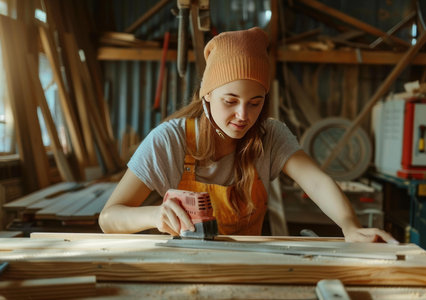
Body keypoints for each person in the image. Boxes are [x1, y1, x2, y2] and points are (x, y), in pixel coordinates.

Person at [99, 27, 397, 244]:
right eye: (230, 101)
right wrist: (153, 217)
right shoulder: (169, 140)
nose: (243, 115)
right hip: (184, 267)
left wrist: (349, 226)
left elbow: (317, 182)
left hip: (250, 266)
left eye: (255, 103)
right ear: (206, 97)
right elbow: (109, 218)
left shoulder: (270, 136)